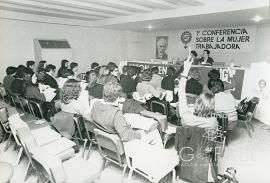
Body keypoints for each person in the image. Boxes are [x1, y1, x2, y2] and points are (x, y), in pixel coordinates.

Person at [178, 48, 218, 129]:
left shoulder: (185, 116)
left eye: (204, 53)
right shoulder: (213, 121)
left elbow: (181, 93)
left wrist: (185, 71)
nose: (203, 54)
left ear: (197, 104)